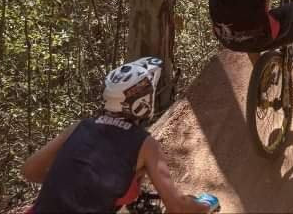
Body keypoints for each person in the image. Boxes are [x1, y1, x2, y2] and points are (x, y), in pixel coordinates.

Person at [22, 57, 217, 214]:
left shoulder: (80, 127)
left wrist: (71, 187)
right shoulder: (145, 144)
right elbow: (177, 208)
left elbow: (29, 171)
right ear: (142, 102)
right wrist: (206, 204)